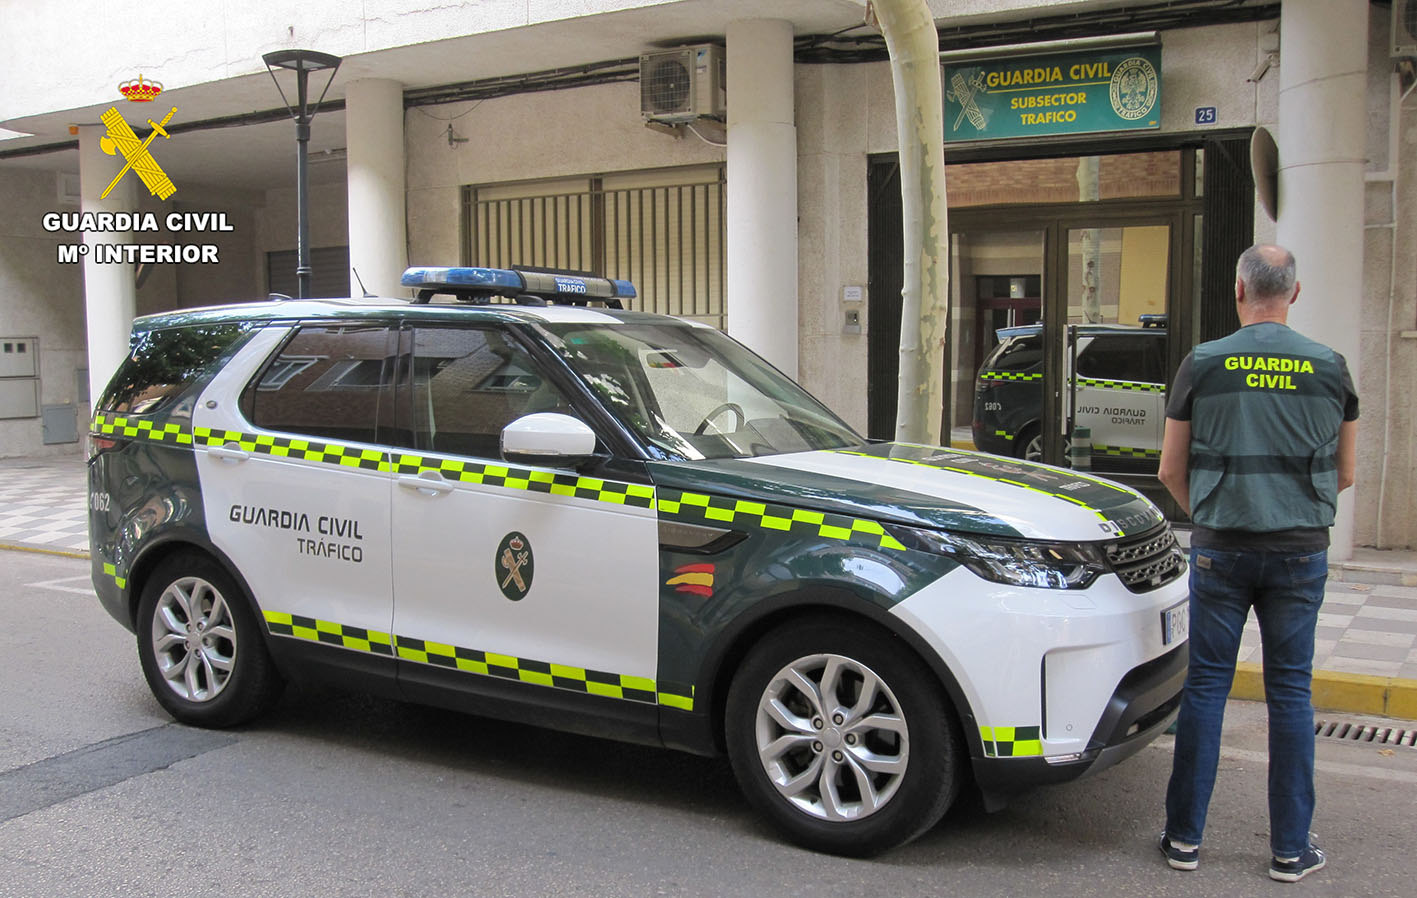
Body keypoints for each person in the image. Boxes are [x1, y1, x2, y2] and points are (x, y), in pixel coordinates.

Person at [1156, 244, 1358, 883]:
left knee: (1208, 687)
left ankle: (1184, 841)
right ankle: (1290, 852)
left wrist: (1214, 512)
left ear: (1238, 290)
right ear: (1293, 294)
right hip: (1300, 551)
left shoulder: (1204, 363)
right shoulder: (1331, 368)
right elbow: (1345, 473)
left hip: (1220, 549)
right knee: (1291, 695)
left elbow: (1169, 469)